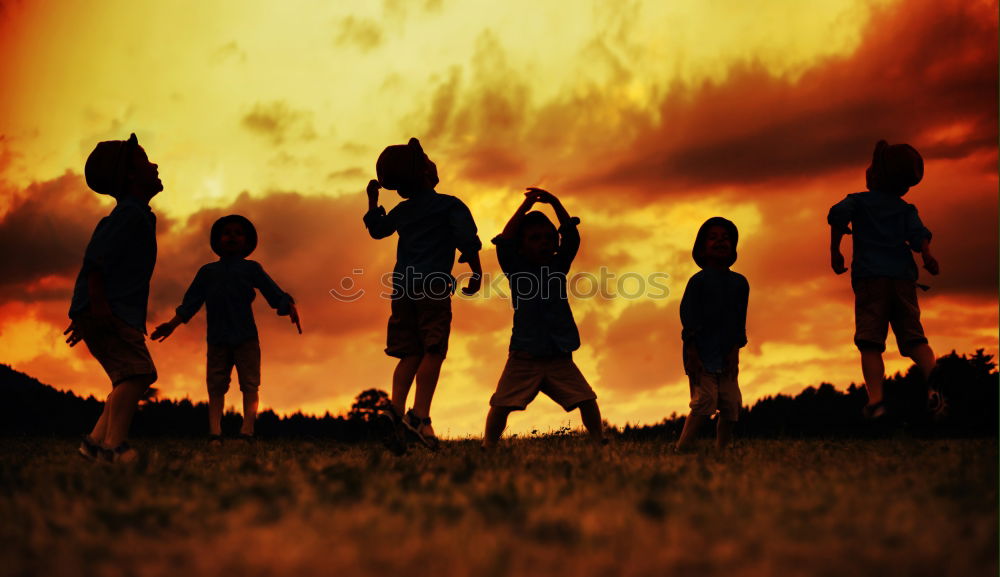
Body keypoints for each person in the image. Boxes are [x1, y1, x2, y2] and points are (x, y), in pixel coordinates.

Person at [363, 138, 482, 452]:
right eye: (428, 159)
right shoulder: (449, 205)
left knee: (409, 352)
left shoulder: (402, 210)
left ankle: (396, 411)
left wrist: (373, 203)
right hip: (433, 286)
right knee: (434, 349)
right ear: (426, 174)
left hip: (402, 287)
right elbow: (466, 239)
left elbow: (378, 231)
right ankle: (420, 416)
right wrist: (476, 270)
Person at [151, 215, 300, 444]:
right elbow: (191, 302)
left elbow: (272, 291)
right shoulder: (207, 272)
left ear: (247, 241)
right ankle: (215, 433)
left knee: (250, 383)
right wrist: (171, 325)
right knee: (215, 384)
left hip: (246, 336)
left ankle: (247, 432)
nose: (232, 236)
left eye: (238, 233)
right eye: (226, 232)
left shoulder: (251, 268)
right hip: (217, 337)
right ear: (217, 240)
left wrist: (287, 306)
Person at [65, 133, 162, 464]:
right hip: (111, 311)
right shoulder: (129, 215)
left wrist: (86, 315)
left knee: (130, 376)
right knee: (137, 375)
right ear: (131, 175)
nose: (155, 165)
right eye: (147, 161)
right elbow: (96, 260)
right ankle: (112, 447)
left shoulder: (138, 214)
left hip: (111, 312)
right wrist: (96, 307)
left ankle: (94, 443)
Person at [483, 188, 605, 449]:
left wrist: (556, 203)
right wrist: (525, 206)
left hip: (558, 355)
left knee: (587, 399)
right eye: (535, 238)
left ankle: (598, 442)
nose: (544, 242)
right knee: (501, 404)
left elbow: (570, 236)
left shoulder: (557, 266)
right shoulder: (517, 270)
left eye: (549, 238)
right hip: (524, 356)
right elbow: (505, 241)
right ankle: (488, 446)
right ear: (522, 245)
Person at [828, 140, 941, 420]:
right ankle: (934, 385)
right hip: (903, 279)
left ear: (875, 174)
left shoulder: (859, 201)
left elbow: (836, 215)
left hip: (871, 280)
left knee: (870, 343)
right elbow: (919, 236)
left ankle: (876, 399)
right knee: (915, 338)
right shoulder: (906, 209)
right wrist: (926, 255)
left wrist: (835, 251)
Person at [675, 217, 749, 452]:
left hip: (726, 354)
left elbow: (739, 322)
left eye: (726, 238)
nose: (720, 242)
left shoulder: (740, 283)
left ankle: (722, 451)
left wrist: (735, 353)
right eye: (713, 238)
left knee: (731, 403)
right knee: (704, 400)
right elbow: (688, 318)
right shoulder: (698, 282)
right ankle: (682, 448)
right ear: (702, 247)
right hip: (701, 353)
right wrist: (692, 353)